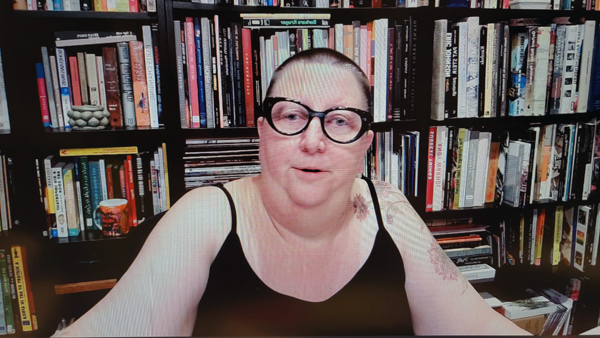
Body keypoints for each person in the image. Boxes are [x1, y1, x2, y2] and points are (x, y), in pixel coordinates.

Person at [56, 48, 532, 336]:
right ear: (262, 132)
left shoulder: (386, 206)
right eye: (291, 115)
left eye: (340, 120)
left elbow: (474, 327)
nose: (313, 140)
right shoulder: (205, 217)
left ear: (366, 144)